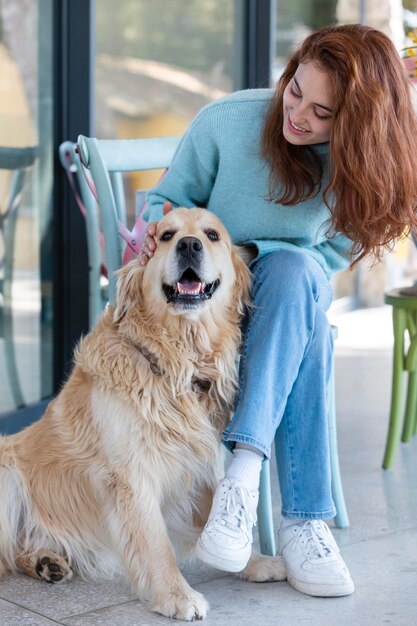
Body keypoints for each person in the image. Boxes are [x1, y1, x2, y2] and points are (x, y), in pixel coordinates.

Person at [140, 23, 417, 598]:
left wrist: (270, 258)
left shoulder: (357, 166)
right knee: (304, 307)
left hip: (287, 301)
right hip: (205, 307)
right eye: (295, 90)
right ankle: (304, 521)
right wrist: (163, 232)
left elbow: (332, 253)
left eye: (322, 113)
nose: (298, 116)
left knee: (295, 278)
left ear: (355, 125)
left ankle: (239, 483)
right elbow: (163, 203)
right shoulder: (228, 122)